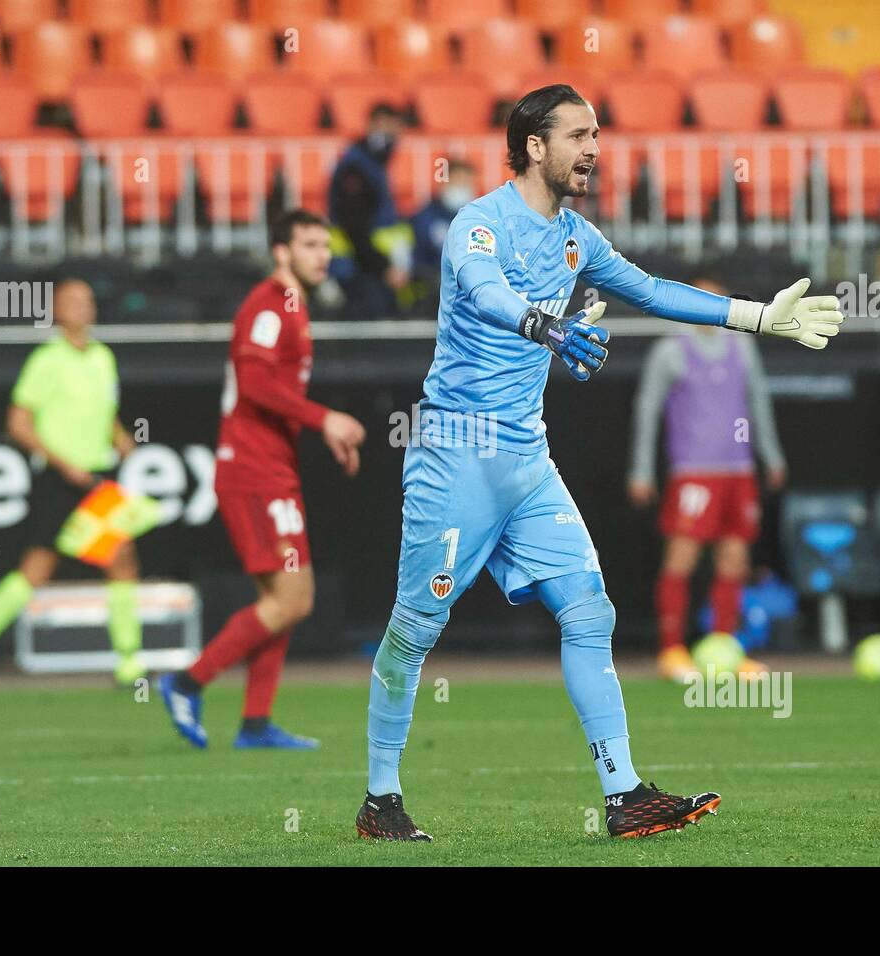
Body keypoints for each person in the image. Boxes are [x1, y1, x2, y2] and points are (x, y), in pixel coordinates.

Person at [354, 85, 843, 842]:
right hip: (457, 455)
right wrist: (546, 325)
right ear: (534, 145)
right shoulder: (478, 225)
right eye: (578, 134)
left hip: (525, 457)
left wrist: (755, 316)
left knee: (590, 610)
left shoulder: (577, 237)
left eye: (596, 133)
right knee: (415, 630)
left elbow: (649, 290)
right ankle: (380, 799)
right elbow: (484, 295)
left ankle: (624, 796)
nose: (593, 148)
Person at [158, 210, 365, 750]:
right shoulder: (270, 305)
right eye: (310, 244)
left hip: (267, 467)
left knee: (282, 597)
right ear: (281, 252)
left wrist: (319, 429)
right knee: (293, 598)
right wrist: (326, 420)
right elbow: (253, 384)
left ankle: (254, 723)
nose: (323, 254)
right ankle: (186, 682)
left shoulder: (292, 307)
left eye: (326, 244)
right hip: (253, 471)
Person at [0, 279, 146, 685]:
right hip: (59, 479)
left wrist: (120, 437)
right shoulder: (46, 360)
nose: (84, 307)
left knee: (121, 558)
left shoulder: (103, 357)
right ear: (57, 310)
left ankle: (129, 661)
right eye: (74, 301)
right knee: (37, 567)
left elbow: (106, 412)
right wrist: (62, 464)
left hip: (97, 476)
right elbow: (19, 423)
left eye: (89, 299)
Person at [627, 277, 787, 681]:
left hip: (738, 469)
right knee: (682, 555)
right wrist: (641, 470)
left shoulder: (742, 345)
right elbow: (647, 411)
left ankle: (725, 648)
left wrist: (770, 454)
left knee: (734, 558)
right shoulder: (670, 351)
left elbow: (758, 401)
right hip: (694, 472)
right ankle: (672, 651)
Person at [327, 103, 413, 318]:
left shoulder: (373, 165)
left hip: (372, 267)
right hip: (358, 270)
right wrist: (384, 267)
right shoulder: (356, 167)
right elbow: (355, 226)